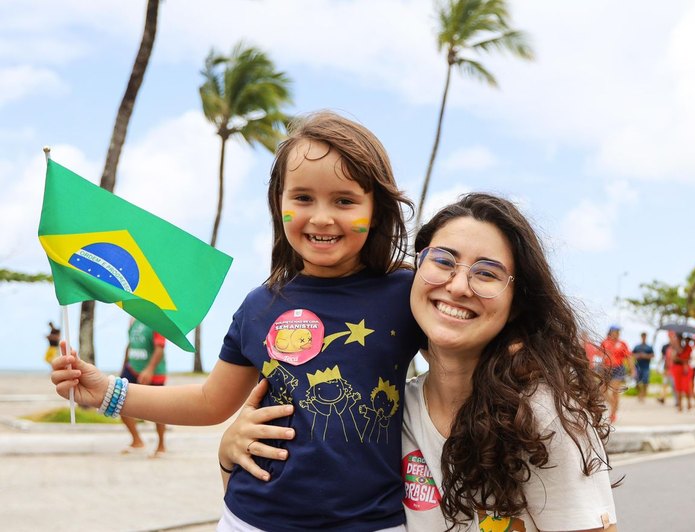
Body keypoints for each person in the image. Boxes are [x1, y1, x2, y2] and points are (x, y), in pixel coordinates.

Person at [50, 111, 424, 531]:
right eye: (303, 198)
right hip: (252, 518)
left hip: (376, 522)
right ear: (279, 203)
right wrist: (108, 391)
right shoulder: (259, 306)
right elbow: (211, 402)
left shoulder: (408, 293)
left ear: (376, 209)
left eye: (344, 200)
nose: (321, 217)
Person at [220, 194, 619, 530]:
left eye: (487, 273)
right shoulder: (394, 412)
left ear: (515, 305)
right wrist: (229, 453)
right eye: (443, 261)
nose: (458, 286)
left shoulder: (541, 415)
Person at [120, 318, 168, 457]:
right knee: (118, 401)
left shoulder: (156, 321)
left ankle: (161, 445)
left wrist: (149, 369)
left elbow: (160, 348)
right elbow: (130, 345)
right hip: (132, 368)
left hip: (154, 372)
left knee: (159, 410)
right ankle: (137, 441)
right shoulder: (133, 320)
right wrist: (123, 368)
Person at [600, 325, 631, 423]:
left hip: (618, 368)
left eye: (618, 332)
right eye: (615, 331)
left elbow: (628, 357)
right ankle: (613, 404)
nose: (617, 334)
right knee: (602, 390)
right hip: (606, 368)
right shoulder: (605, 342)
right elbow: (601, 355)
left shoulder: (622, 343)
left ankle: (613, 414)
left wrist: (632, 369)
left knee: (615, 391)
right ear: (611, 332)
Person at [632, 331, 655, 403]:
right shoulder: (637, 346)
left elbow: (653, 355)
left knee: (645, 382)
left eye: (645, 337)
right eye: (643, 336)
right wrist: (638, 356)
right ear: (641, 337)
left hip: (646, 367)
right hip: (637, 366)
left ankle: (643, 395)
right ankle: (639, 393)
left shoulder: (649, 347)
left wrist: (645, 356)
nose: (644, 338)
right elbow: (632, 354)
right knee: (637, 382)